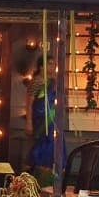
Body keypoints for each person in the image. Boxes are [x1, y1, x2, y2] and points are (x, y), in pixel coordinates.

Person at [25, 55, 58, 187]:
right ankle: (34, 184)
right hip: (39, 122)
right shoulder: (37, 81)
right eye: (50, 64)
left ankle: (48, 184)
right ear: (41, 66)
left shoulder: (53, 82)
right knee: (39, 151)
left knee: (51, 151)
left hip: (51, 122)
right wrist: (28, 122)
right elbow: (29, 103)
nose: (53, 66)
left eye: (54, 64)